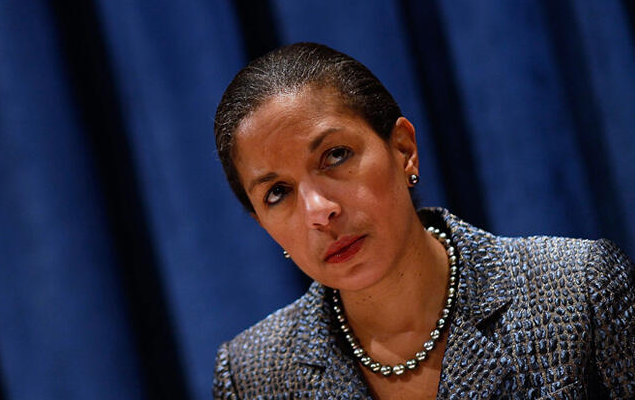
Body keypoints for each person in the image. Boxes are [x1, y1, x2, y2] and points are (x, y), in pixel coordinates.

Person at [211, 42, 635, 399]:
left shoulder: (578, 290)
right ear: (263, 224)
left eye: (335, 156)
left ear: (402, 149)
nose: (320, 211)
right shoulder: (252, 376)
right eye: (278, 193)